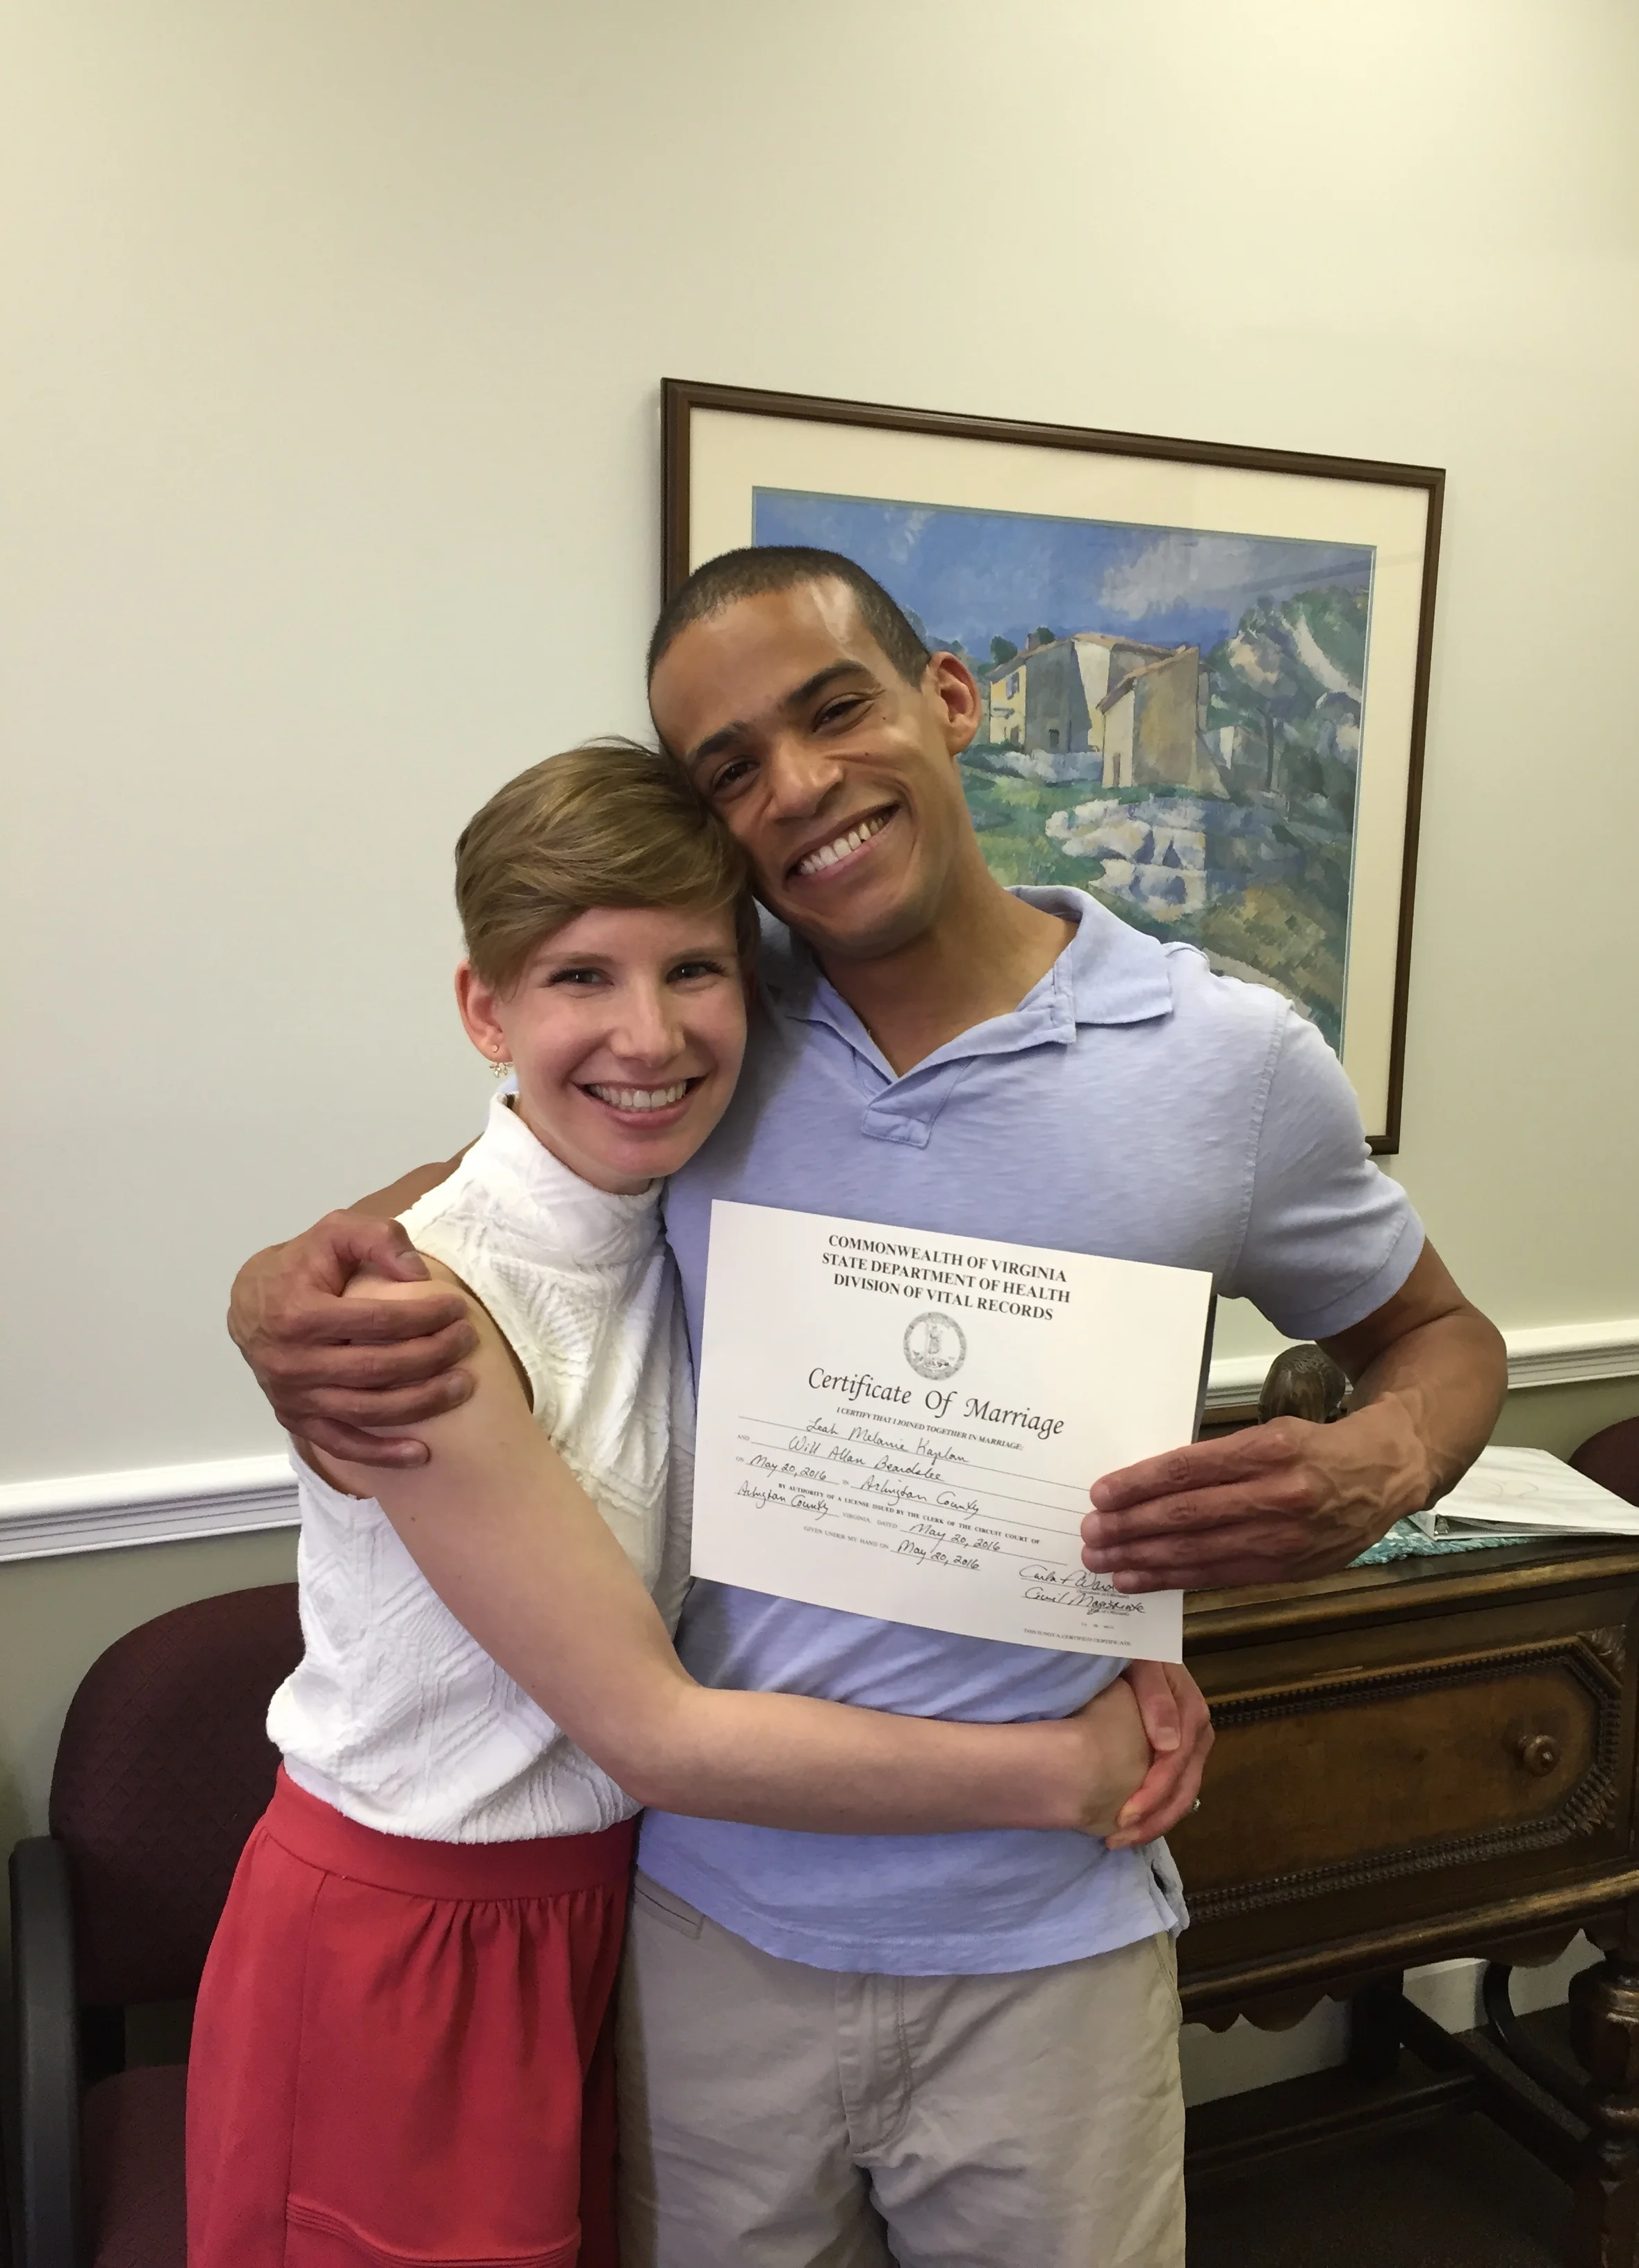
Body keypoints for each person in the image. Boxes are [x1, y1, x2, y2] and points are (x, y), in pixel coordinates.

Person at [230, 548, 1509, 2268]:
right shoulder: (715, 1015)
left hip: (1051, 1937)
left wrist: (1386, 1457)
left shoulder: (1232, 1061)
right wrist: (275, 1290)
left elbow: (1440, 1334)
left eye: (835, 710)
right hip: (704, 1924)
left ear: (953, 701)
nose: (801, 787)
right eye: (731, 767)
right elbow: (498, 1189)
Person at [190, 740, 1156, 2268]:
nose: (647, 1034)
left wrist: (1107, 1637)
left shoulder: (691, 1227)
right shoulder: (413, 1312)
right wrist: (1066, 1769)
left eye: (693, 970)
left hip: (609, 1920)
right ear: (484, 1010)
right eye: (581, 977)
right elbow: (650, 1727)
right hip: (418, 1940)